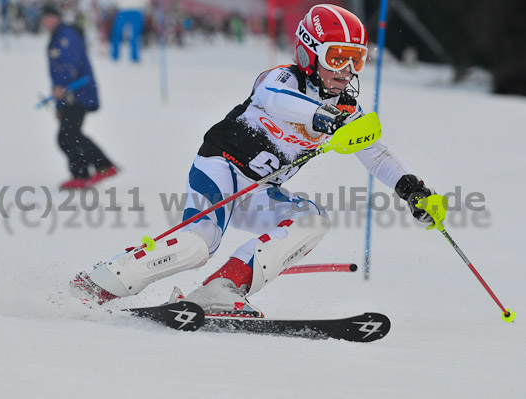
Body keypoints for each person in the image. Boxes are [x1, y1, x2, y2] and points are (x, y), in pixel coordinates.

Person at [70, 4, 435, 316]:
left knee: (312, 221)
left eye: (355, 59)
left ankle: (222, 289)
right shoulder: (282, 80)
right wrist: (324, 117)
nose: (345, 71)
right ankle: (100, 283)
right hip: (221, 169)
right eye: (336, 58)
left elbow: (376, 155)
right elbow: (275, 99)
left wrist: (412, 190)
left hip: (259, 191)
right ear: (309, 53)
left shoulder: (346, 111)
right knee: (198, 245)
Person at [41, 5, 117, 189]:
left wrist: (61, 85)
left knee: (69, 135)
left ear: (58, 18)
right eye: (45, 18)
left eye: (50, 17)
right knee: (68, 136)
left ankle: (104, 167)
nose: (47, 22)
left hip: (78, 92)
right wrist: (59, 105)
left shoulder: (65, 35)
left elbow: (70, 64)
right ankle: (82, 174)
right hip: (69, 96)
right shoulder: (57, 36)